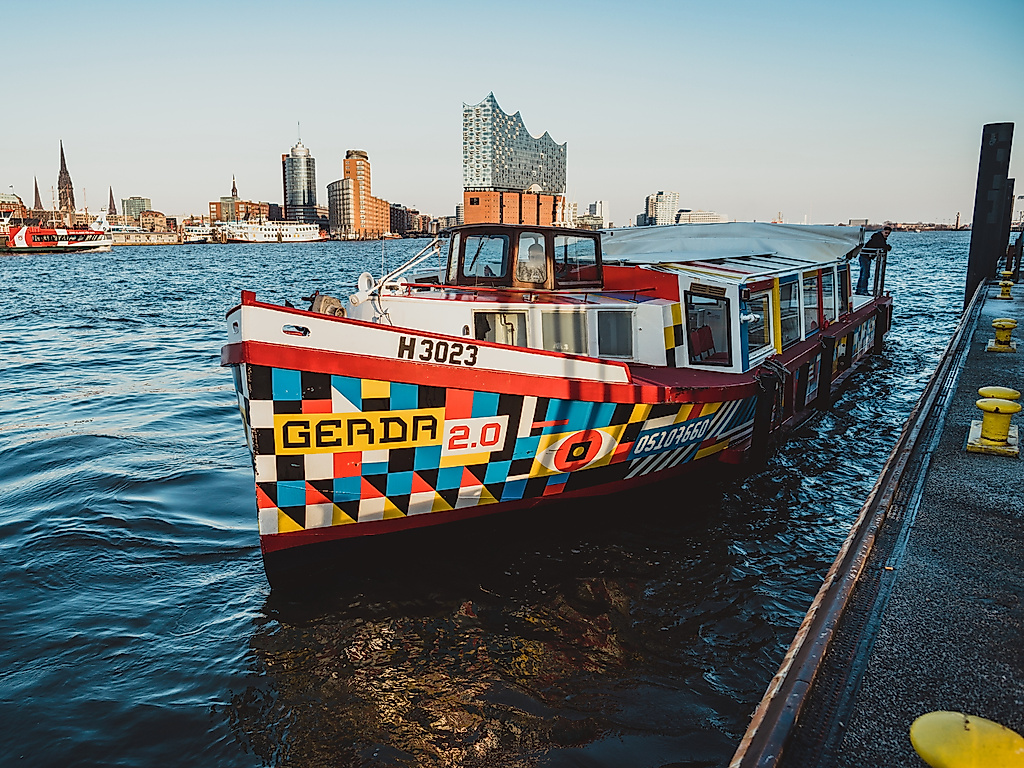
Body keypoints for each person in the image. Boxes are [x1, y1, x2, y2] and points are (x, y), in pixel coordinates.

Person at [856, 225, 892, 295]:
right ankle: (862, 290)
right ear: (883, 231)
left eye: (888, 234)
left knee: (864, 274)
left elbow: (883, 245)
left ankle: (860, 290)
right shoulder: (877, 237)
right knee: (865, 274)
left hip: (866, 256)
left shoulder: (879, 238)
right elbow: (882, 245)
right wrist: (887, 247)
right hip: (865, 256)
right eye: (886, 233)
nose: (887, 235)